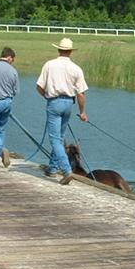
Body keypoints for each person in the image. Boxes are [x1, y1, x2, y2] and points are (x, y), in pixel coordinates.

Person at [36, 37, 89, 177]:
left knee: (54, 139)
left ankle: (66, 170)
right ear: (71, 51)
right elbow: (81, 94)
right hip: (68, 104)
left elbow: (39, 87)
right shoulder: (77, 69)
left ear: (59, 50)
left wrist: (47, 96)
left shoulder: (49, 65)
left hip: (54, 102)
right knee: (59, 137)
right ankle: (53, 168)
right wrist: (83, 112)